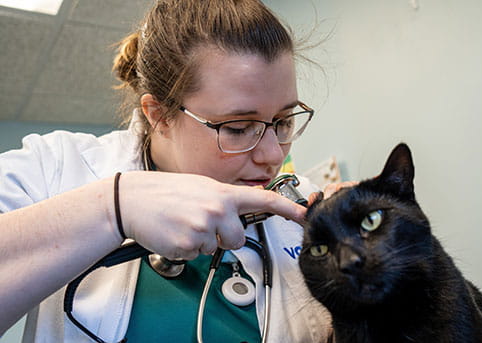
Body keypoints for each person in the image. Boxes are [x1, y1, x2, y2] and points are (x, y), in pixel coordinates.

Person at [0, 0, 333, 342]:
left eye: (283, 121)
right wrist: (113, 208)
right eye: (237, 127)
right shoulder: (56, 164)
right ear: (159, 115)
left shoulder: (300, 203)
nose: (272, 154)